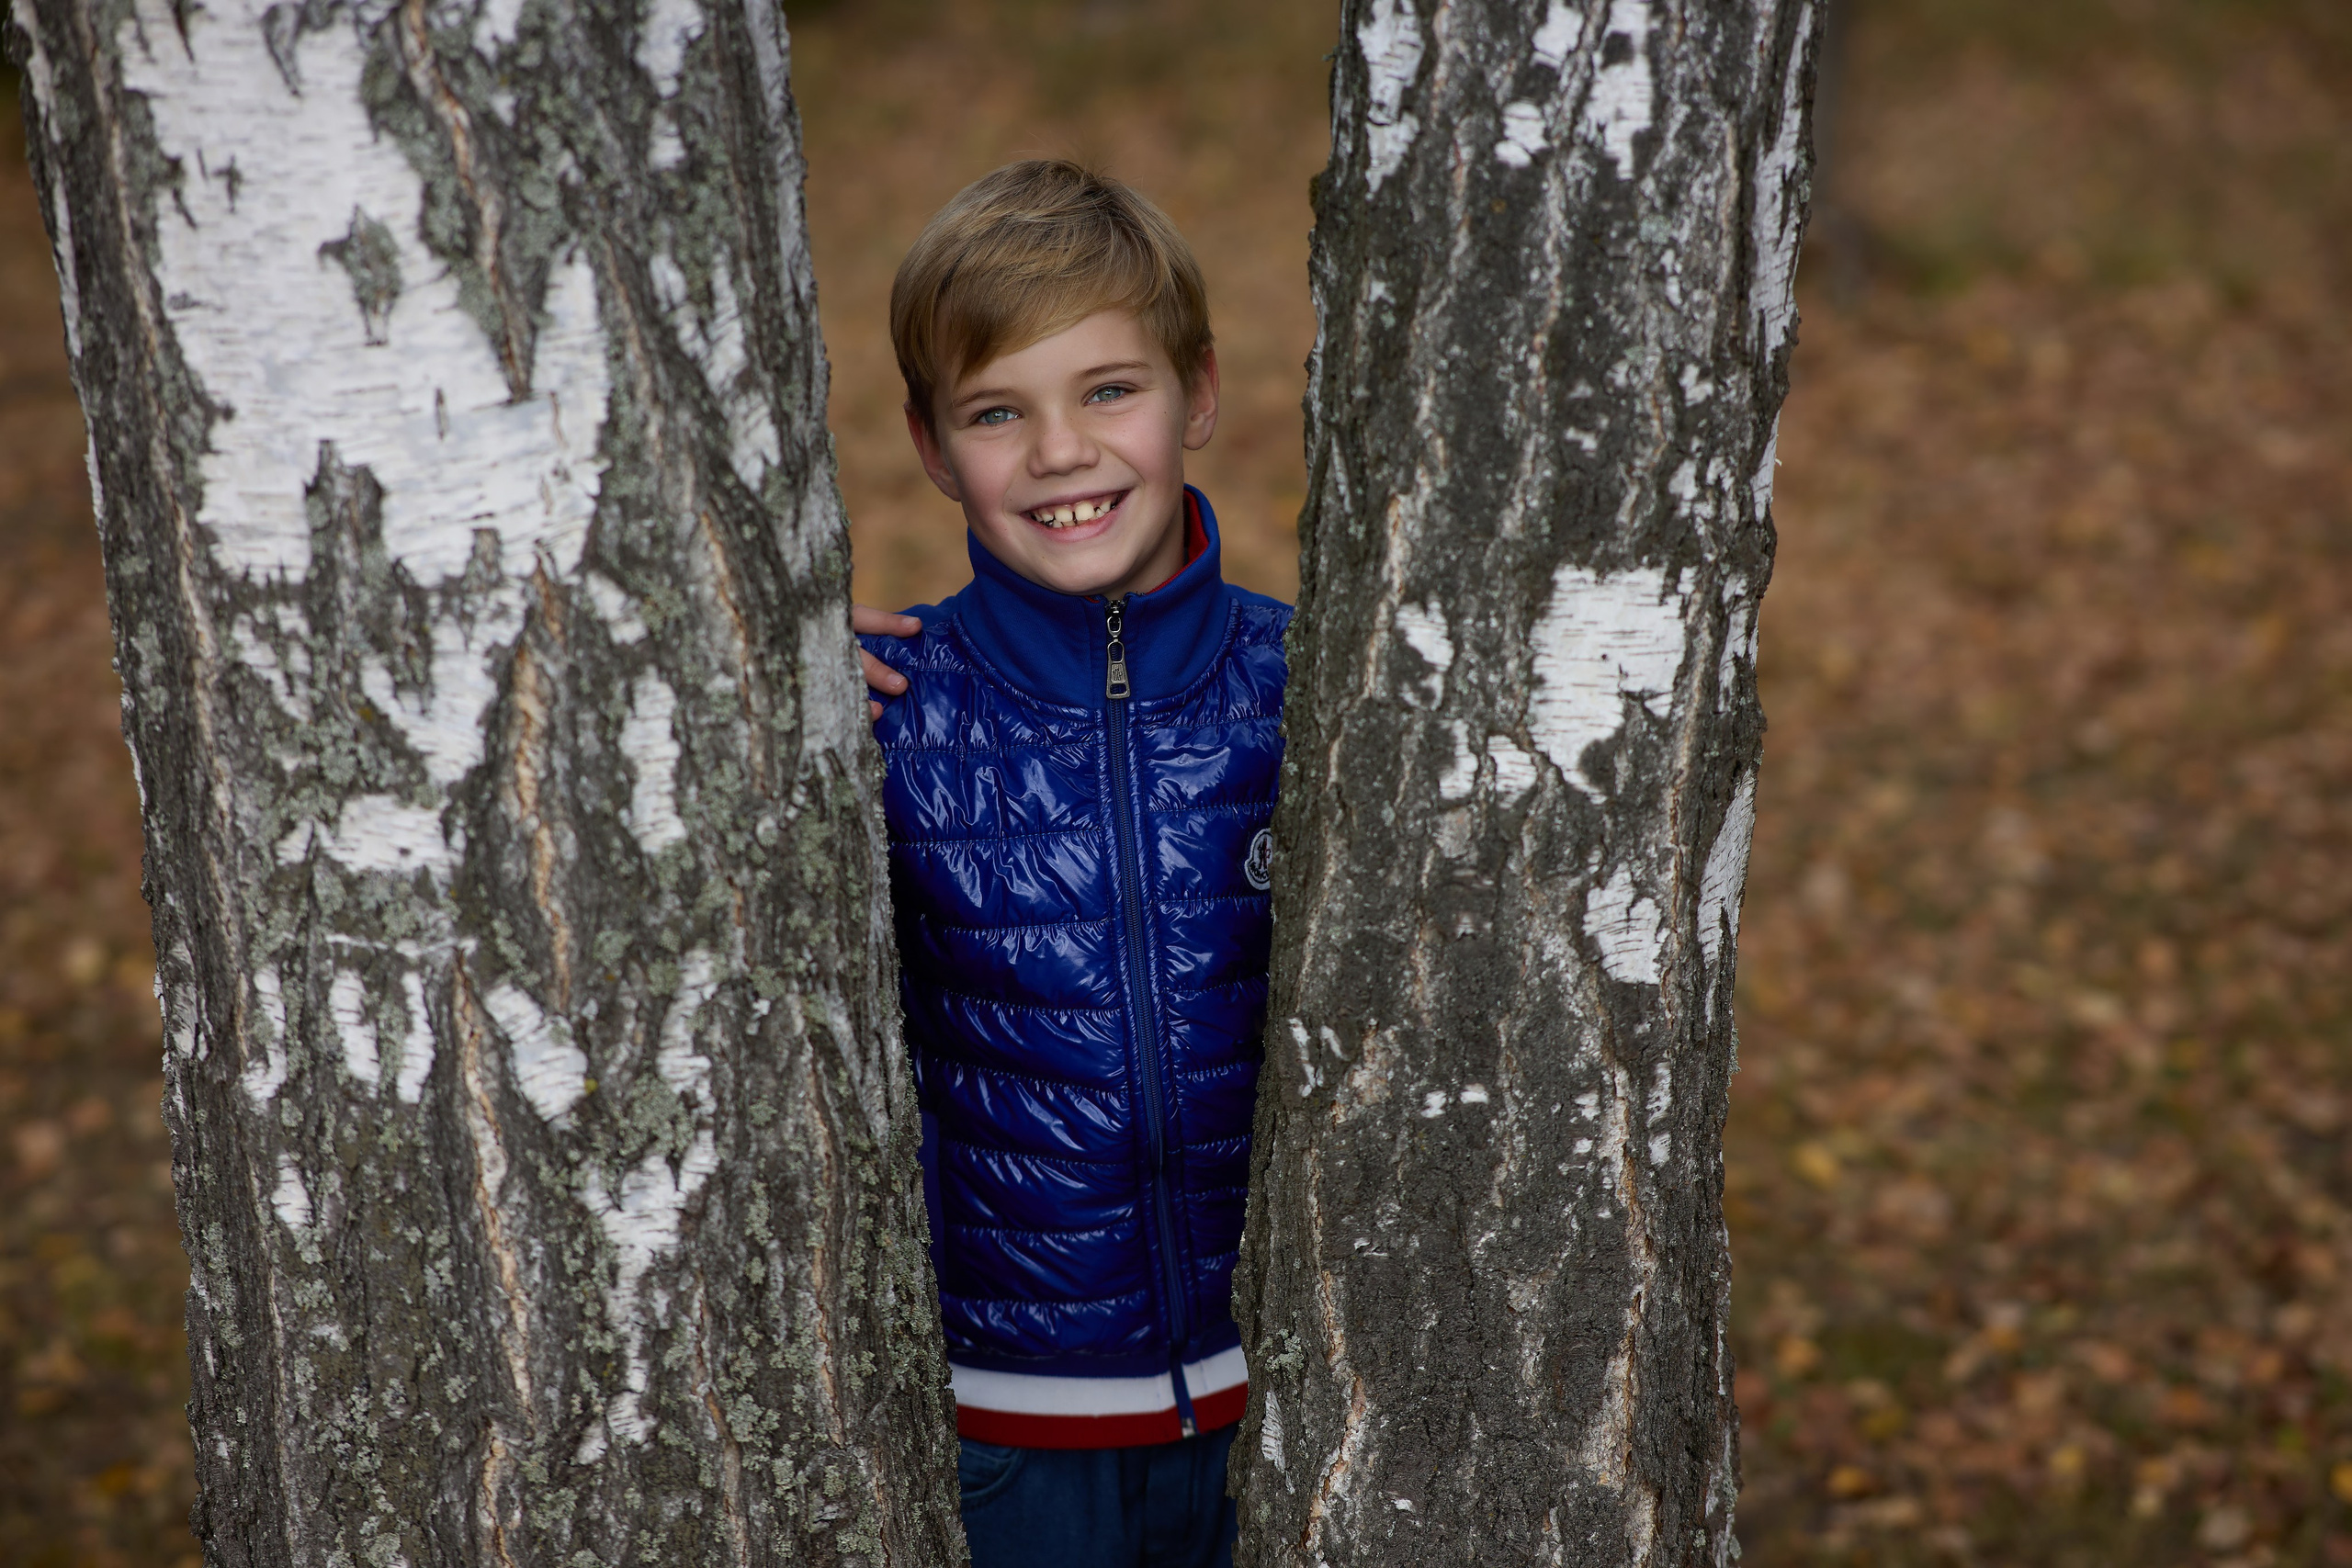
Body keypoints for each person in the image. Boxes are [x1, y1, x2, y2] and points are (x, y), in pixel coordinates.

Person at [852, 159, 1287, 1568]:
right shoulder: (884, 719)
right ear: (933, 447)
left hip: (1288, 1390)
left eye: (1108, 391)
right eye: (998, 411)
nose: (1060, 452)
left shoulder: (1314, 688)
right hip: (1007, 1426)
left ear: (1198, 394)